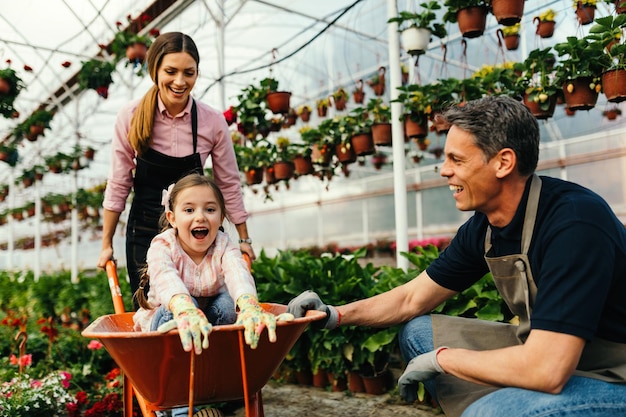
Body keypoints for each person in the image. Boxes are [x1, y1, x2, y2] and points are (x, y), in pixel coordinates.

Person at [287, 95, 626, 417]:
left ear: (503, 162)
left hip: (611, 375)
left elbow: (547, 369)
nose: (444, 171)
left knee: (490, 410)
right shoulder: (486, 226)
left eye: (457, 160)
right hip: (551, 355)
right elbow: (411, 298)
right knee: (418, 333)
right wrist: (332, 314)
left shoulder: (575, 223)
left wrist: (444, 360)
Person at [97, 32, 255, 308]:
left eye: (189, 73)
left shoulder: (212, 122)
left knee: (205, 309)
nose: (180, 82)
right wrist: (106, 243)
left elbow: (228, 182)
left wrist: (243, 238)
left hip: (198, 235)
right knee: (153, 311)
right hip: (145, 229)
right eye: (171, 71)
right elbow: (119, 183)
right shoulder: (131, 117)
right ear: (154, 70)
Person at [134, 173, 291, 417]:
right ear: (172, 218)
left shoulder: (223, 245)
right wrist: (185, 308)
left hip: (210, 330)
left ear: (220, 218)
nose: (200, 216)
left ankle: (214, 384)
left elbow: (238, 273)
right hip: (169, 322)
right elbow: (165, 277)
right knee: (180, 308)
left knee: (230, 305)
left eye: (210, 209)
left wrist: (249, 305)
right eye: (189, 210)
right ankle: (180, 409)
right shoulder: (162, 245)